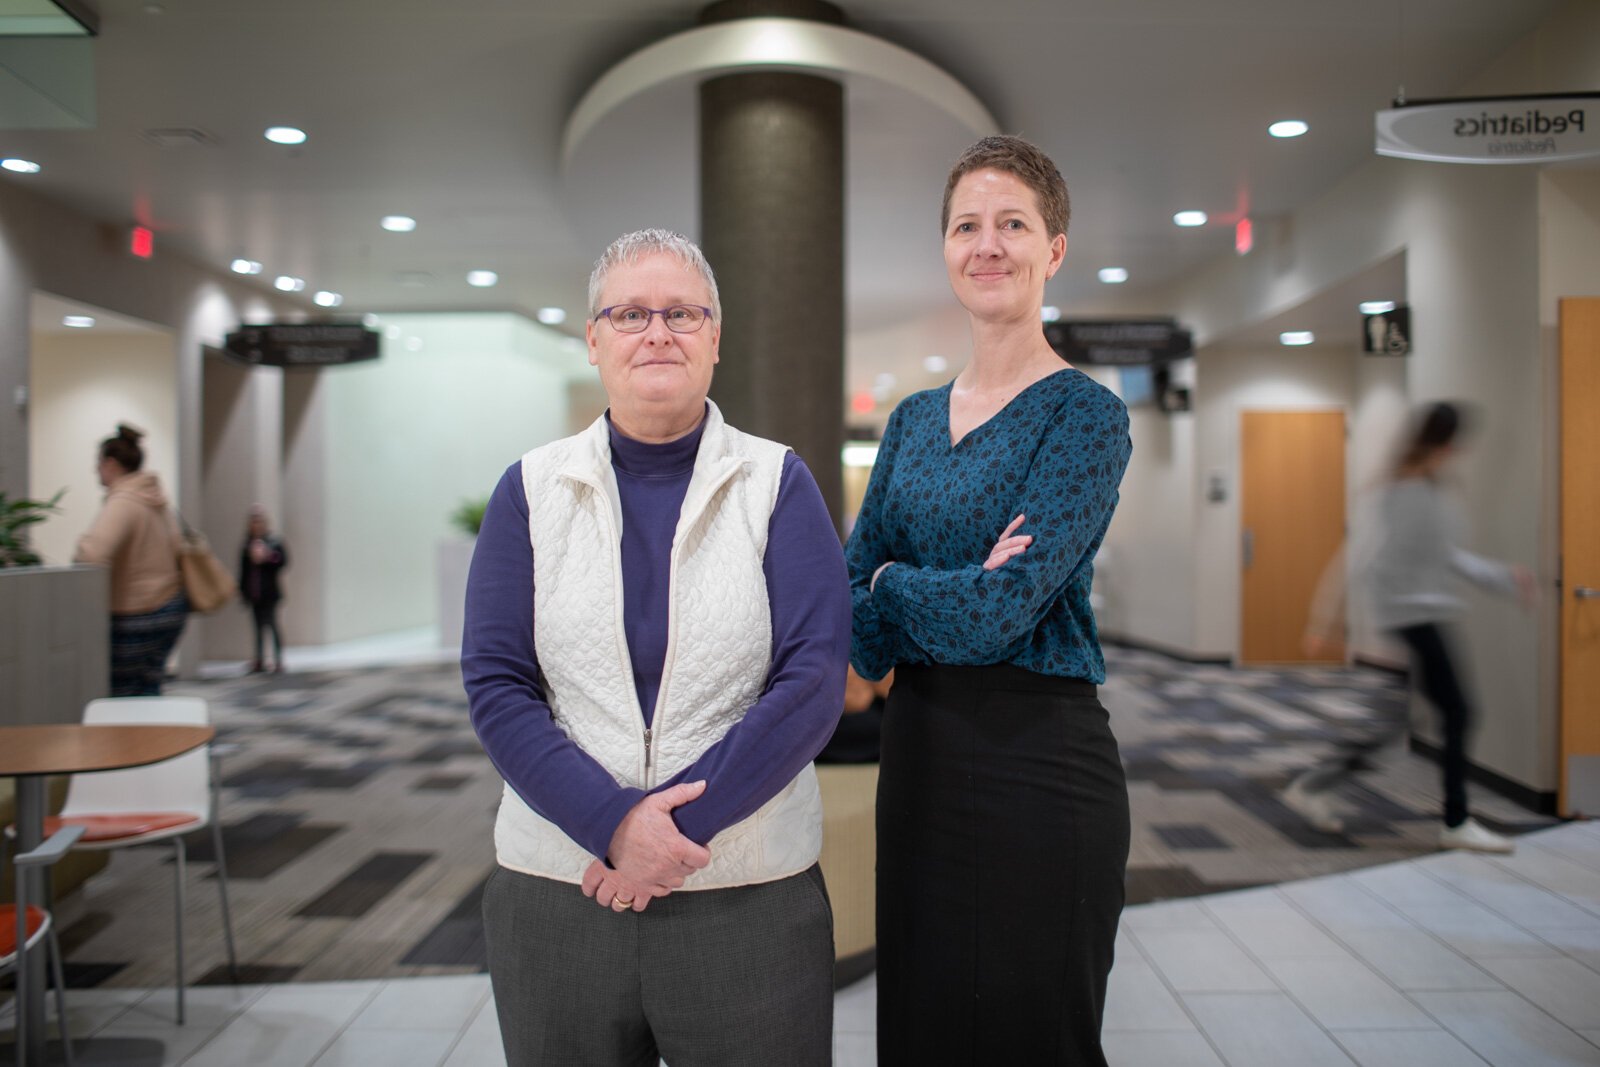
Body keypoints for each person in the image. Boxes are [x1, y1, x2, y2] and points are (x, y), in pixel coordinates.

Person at [462, 229, 849, 1066]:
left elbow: (813, 681)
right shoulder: (528, 489)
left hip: (747, 895)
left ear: (715, 336)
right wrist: (608, 824)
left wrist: (661, 838)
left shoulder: (777, 481)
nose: (657, 331)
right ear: (594, 338)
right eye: (631, 312)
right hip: (560, 892)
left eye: (682, 312)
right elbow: (497, 684)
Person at [847, 136, 1133, 1065]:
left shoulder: (1085, 415)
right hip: (920, 757)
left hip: (1041, 765)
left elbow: (999, 615)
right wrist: (915, 588)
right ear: (945, 248)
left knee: (1033, 1035)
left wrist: (898, 583)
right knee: (923, 1031)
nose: (989, 243)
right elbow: (853, 609)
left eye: (1014, 223)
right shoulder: (912, 422)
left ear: (1055, 248)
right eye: (967, 224)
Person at [1290, 401, 1533, 853]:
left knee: (1410, 717)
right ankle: (1455, 821)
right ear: (1449, 443)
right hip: (1412, 615)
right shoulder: (1403, 490)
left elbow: (1445, 555)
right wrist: (1325, 617)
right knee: (1457, 712)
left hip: (1423, 612)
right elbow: (1362, 554)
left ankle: (1315, 785)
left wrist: (1504, 578)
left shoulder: (1429, 486)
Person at [74, 423, 189, 696]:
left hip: (138, 613)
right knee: (148, 688)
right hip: (170, 606)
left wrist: (80, 545)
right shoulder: (156, 499)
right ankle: (153, 738)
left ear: (111, 464)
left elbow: (92, 554)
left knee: (124, 695)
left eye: (98, 463)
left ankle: (137, 739)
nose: (95, 470)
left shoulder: (124, 501)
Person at [239, 504, 288, 673]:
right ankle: (259, 660)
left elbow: (283, 561)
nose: (256, 525)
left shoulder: (273, 542)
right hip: (255, 593)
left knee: (272, 625)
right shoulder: (247, 545)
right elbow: (243, 571)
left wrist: (267, 556)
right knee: (258, 627)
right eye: (254, 521)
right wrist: (243, 592)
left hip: (270, 593)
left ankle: (278, 660)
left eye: (259, 521)